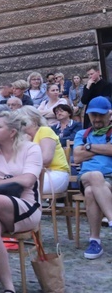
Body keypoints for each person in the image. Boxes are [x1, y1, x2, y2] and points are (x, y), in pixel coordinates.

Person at [0, 110, 42, 293]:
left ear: (12, 132)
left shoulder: (31, 149)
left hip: (27, 207)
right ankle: (9, 290)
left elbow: (28, 180)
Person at [73, 97, 112, 259]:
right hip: (86, 176)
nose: (96, 119)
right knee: (95, 176)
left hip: (109, 179)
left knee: (90, 192)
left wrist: (88, 147)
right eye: (93, 115)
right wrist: (105, 148)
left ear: (110, 115)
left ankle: (94, 241)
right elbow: (77, 156)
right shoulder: (82, 134)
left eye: (100, 115)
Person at [20, 106, 70, 195]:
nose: (19, 126)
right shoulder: (24, 137)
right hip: (37, 174)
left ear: (34, 121)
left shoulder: (45, 131)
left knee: (18, 186)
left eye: (22, 122)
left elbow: (46, 159)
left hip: (56, 173)